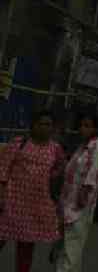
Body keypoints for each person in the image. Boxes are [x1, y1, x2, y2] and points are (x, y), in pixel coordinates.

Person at [0, 110, 66, 272]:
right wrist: (1, 196)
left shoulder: (55, 149)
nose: (45, 128)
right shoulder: (19, 143)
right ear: (33, 125)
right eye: (41, 124)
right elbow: (2, 170)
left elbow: (62, 166)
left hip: (34, 207)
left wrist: (50, 176)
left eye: (49, 125)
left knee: (26, 248)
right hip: (11, 202)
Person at [53, 113, 98, 272]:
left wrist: (82, 200)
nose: (82, 129)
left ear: (96, 128)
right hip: (67, 205)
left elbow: (93, 173)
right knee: (64, 248)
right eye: (81, 125)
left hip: (80, 206)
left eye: (87, 126)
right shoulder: (81, 148)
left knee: (72, 249)